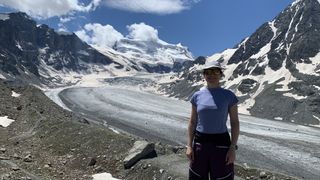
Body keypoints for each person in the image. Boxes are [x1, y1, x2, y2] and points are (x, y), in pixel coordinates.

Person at [186, 60, 240, 180]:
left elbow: (234, 122)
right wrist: (189, 146)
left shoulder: (229, 96)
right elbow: (192, 122)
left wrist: (232, 148)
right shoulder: (197, 96)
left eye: (215, 71)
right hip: (200, 144)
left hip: (222, 144)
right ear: (204, 75)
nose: (212, 75)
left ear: (221, 74)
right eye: (208, 72)